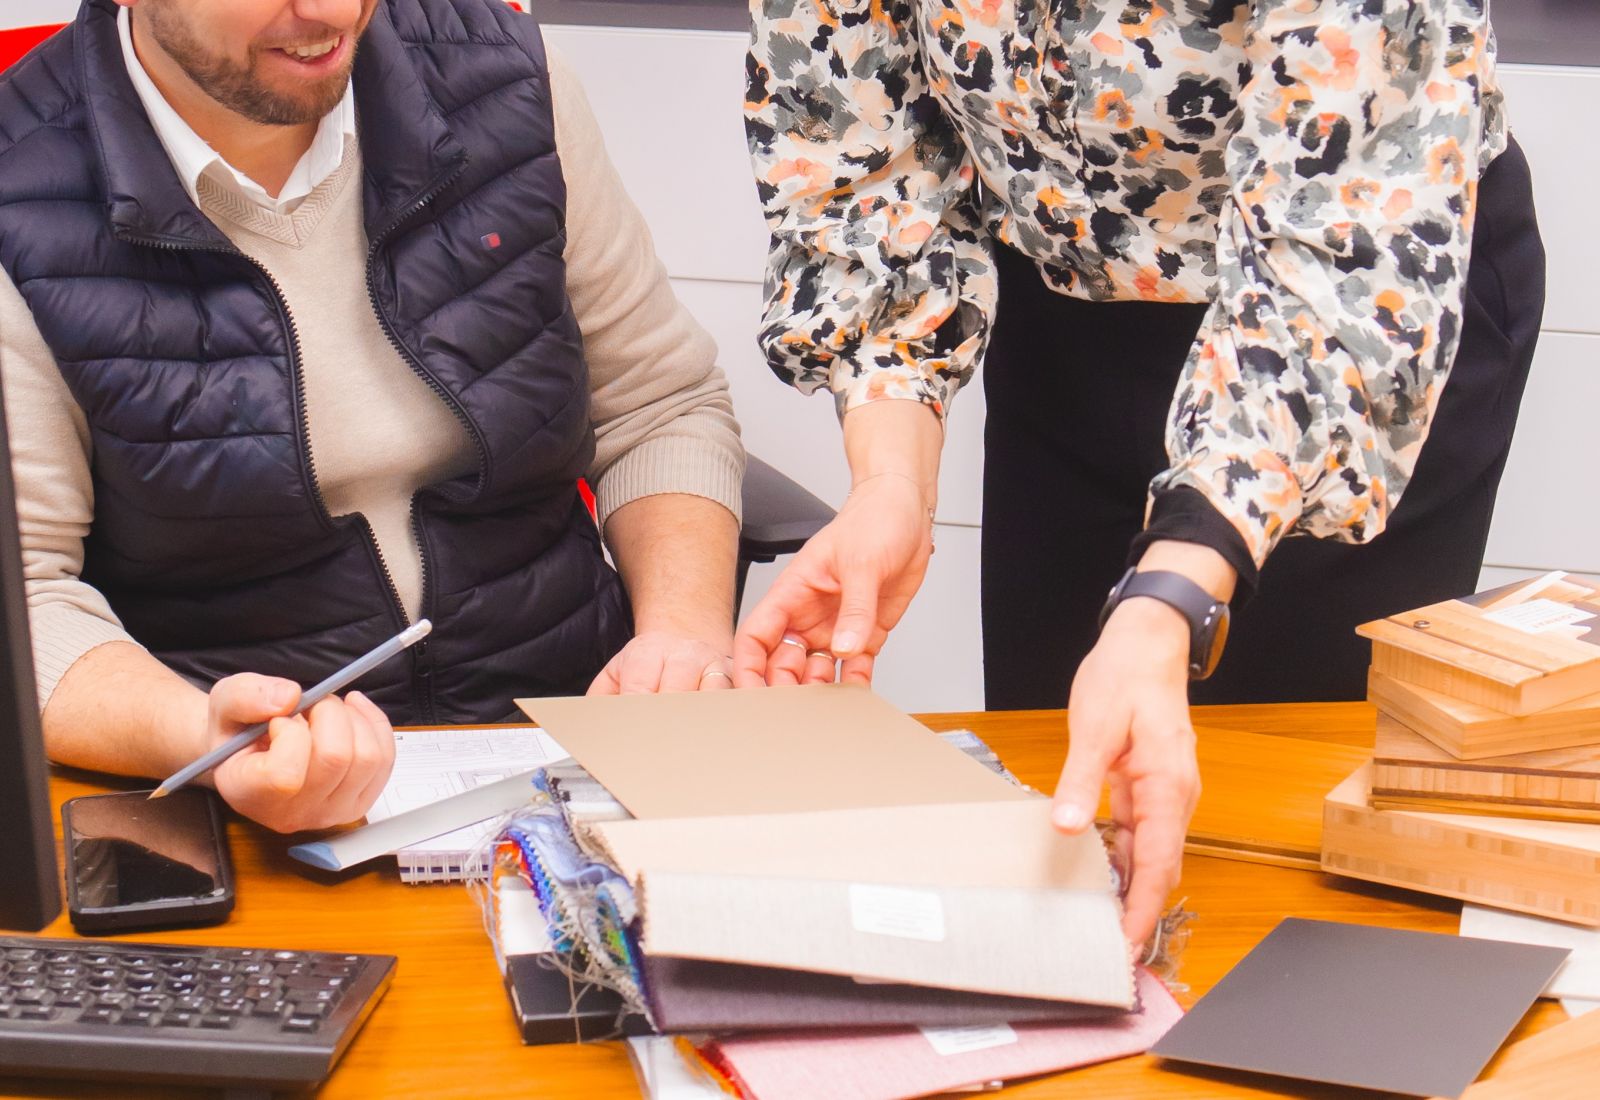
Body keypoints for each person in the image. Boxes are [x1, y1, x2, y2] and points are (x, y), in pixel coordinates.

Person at [734, 2, 1544, 946]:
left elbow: (1339, 243)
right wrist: (892, 485)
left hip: (1341, 318)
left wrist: (1171, 597)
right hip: (1068, 307)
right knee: (1074, 813)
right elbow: (865, 157)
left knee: (1296, 856)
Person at [0, 0, 745, 834]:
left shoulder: (507, 82)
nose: (327, 12)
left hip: (580, 753)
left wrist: (682, 633)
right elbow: (24, 596)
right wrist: (203, 737)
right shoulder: (17, 196)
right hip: (239, 808)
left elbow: (659, 402)